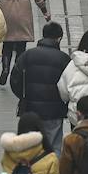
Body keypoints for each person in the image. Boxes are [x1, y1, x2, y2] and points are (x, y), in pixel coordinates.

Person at [9, 21, 71, 149]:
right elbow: (69, 85)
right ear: (59, 38)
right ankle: (51, 168)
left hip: (30, 109)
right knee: (54, 146)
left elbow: (15, 80)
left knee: (31, 147)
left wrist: (24, 96)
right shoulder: (64, 59)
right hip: (54, 110)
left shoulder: (27, 56)